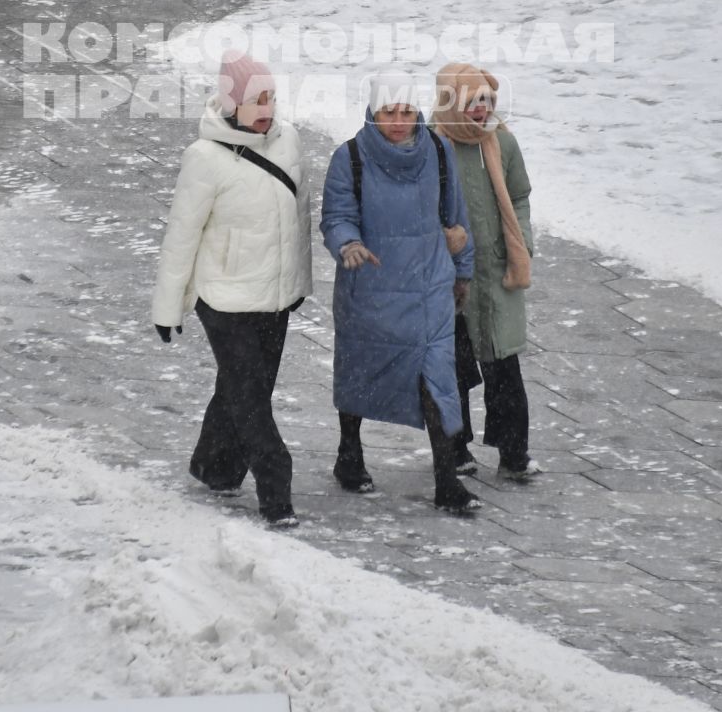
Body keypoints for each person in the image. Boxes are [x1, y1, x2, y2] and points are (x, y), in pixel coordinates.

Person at [152, 51, 312, 527]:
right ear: (231, 104)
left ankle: (214, 467)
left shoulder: (289, 143)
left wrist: (298, 283)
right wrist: (169, 307)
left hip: (275, 296)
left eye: (272, 98)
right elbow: (182, 234)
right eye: (256, 100)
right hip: (222, 297)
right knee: (250, 395)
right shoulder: (203, 158)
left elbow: (300, 219)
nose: (268, 108)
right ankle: (275, 487)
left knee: (244, 387)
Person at [320, 71, 481, 515]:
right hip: (370, 292)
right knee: (359, 372)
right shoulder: (349, 157)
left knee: (438, 383)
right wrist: (347, 244)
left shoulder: (439, 152)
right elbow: (336, 214)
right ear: (373, 112)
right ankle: (349, 453)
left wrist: (462, 274)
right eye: (389, 111)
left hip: (429, 290)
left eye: (406, 111)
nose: (398, 120)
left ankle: (447, 481)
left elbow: (456, 220)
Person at [435, 63, 543, 481]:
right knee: (455, 368)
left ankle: (514, 452)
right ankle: (455, 448)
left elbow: (519, 197)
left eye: (487, 101)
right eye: (472, 101)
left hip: (498, 272)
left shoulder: (503, 143)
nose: (481, 110)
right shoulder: (433, 146)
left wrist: (522, 242)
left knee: (504, 367)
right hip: (452, 276)